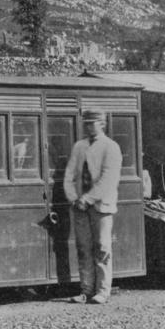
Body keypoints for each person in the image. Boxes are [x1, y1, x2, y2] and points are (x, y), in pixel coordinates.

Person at [61, 109, 122, 305]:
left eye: (92, 123)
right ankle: (86, 290)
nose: (88, 126)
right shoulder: (79, 146)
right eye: (86, 123)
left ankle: (103, 291)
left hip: (101, 206)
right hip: (79, 207)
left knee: (102, 248)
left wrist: (87, 199)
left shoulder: (111, 147)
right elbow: (69, 175)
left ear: (102, 124)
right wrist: (73, 198)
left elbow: (108, 180)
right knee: (83, 248)